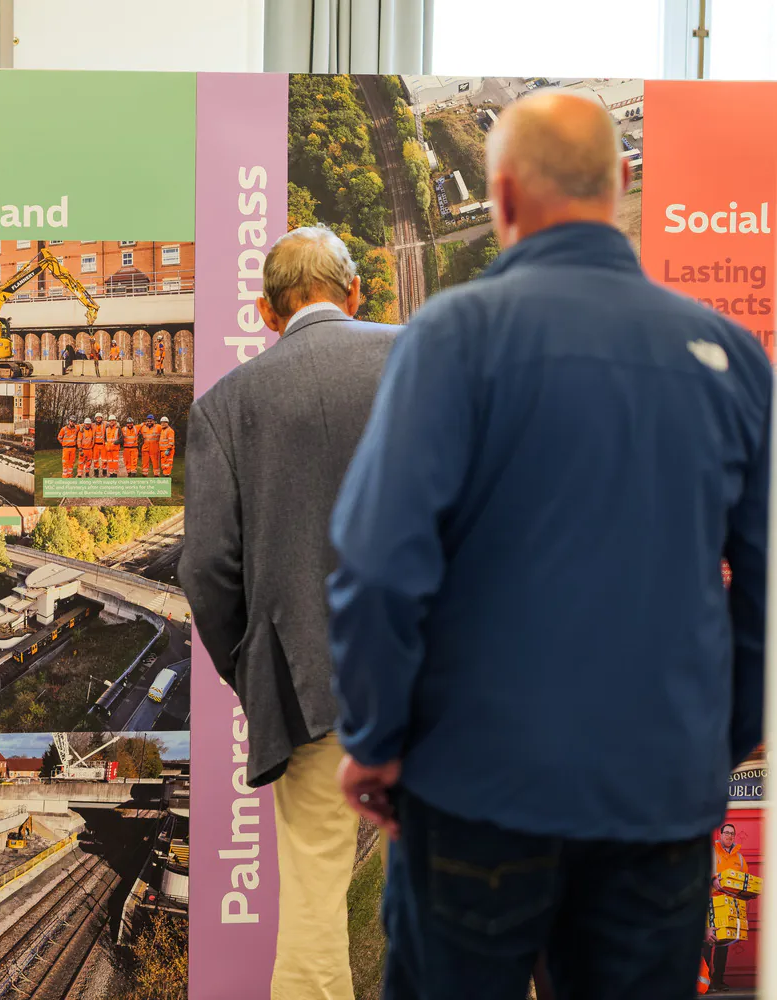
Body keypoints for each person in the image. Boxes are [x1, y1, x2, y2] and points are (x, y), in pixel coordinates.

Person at [327, 89, 769, 1000]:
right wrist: (718, 740)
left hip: (476, 792)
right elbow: (764, 591)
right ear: (618, 189)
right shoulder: (732, 358)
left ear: (505, 197)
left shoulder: (451, 339)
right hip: (658, 796)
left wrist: (376, 736)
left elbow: (378, 563)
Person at [181, 225, 393, 1000]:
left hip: (311, 689)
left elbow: (207, 568)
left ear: (266, 313)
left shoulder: (226, 409)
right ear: (356, 293)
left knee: (312, 905)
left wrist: (256, 665)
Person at [705, 823, 747, 991]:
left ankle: (718, 981)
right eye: (726, 833)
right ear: (720, 835)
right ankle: (705, 982)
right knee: (708, 943)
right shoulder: (712, 853)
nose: (729, 836)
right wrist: (712, 879)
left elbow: (744, 880)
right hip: (711, 903)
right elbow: (702, 873)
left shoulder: (740, 858)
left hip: (729, 904)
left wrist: (745, 893)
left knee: (724, 945)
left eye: (732, 834)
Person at [90, 413, 107, 478]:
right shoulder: (93, 425)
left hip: (103, 445)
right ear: (95, 419)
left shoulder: (105, 424)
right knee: (95, 459)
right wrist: (81, 427)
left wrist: (117, 424)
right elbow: (85, 424)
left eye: (100, 418)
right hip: (95, 445)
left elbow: (113, 422)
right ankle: (96, 473)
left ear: (102, 418)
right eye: (97, 418)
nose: (98, 419)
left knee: (104, 459)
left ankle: (104, 472)